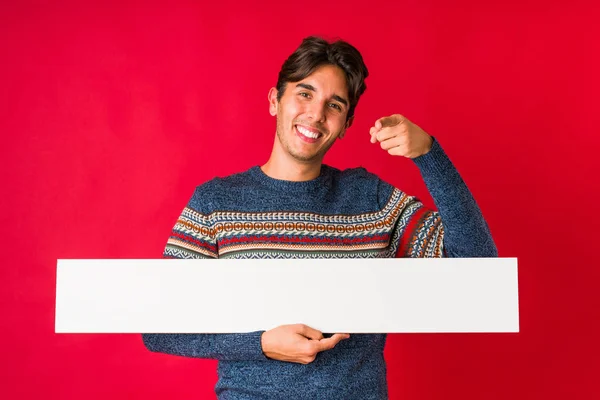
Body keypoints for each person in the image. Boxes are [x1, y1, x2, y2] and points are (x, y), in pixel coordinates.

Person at [142, 35, 497, 399]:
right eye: (305, 93)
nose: (315, 114)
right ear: (274, 100)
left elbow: (479, 269)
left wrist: (428, 154)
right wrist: (260, 344)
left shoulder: (370, 199)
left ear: (345, 125)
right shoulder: (215, 203)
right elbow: (159, 329)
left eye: (335, 105)